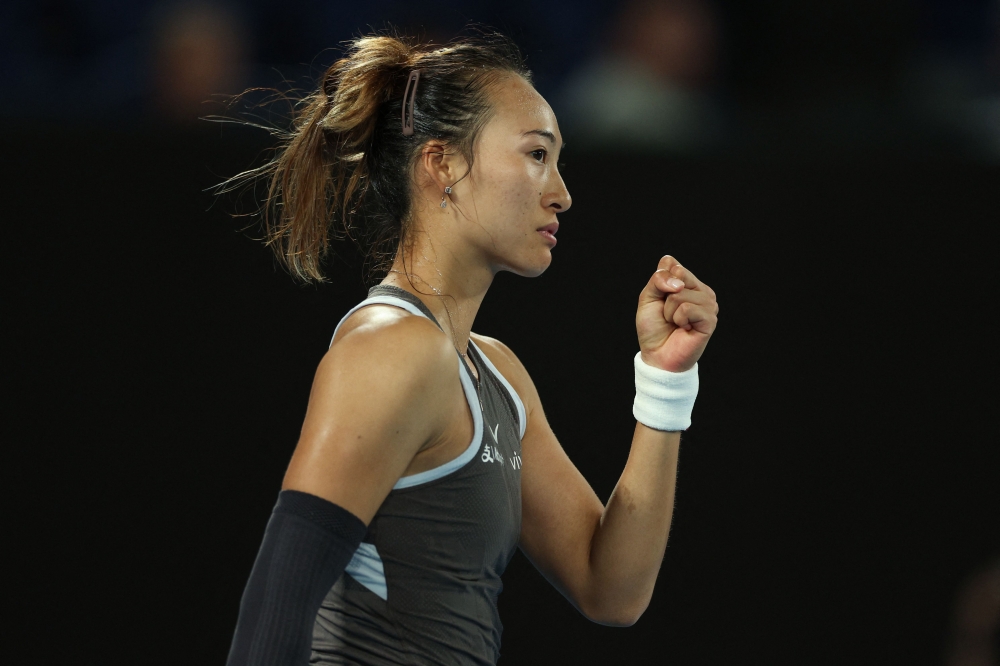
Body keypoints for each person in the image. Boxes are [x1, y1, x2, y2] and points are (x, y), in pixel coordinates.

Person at [224, 32, 719, 666]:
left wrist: (664, 380)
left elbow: (611, 588)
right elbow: (275, 609)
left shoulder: (497, 375)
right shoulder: (391, 350)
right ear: (444, 165)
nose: (561, 192)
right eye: (537, 154)